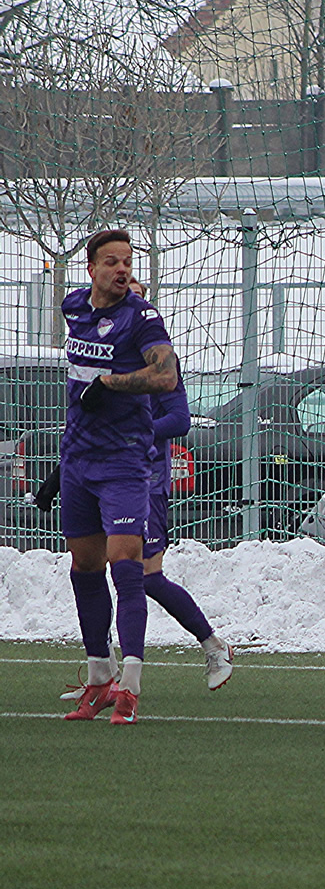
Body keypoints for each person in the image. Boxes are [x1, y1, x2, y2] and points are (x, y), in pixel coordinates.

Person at [42, 281, 233, 698]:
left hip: (142, 476)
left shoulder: (154, 361)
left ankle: (212, 645)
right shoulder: (97, 352)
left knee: (144, 576)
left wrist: (137, 436)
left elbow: (180, 418)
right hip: (100, 471)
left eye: (132, 290)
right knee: (99, 569)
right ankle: (106, 675)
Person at [57, 229, 178, 724]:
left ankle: (130, 684)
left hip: (126, 461)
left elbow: (166, 375)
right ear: (90, 268)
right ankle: (99, 678)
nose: (122, 269)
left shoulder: (143, 318)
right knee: (84, 568)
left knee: (125, 565)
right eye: (111, 262)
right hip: (77, 461)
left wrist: (112, 383)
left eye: (127, 261)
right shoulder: (72, 306)